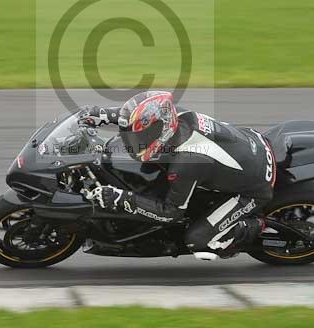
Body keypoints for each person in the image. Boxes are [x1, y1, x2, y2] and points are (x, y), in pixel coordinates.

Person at [79, 90, 275, 260]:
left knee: (197, 240)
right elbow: (137, 119)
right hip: (252, 143)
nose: (133, 141)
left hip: (254, 189)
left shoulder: (186, 162)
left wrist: (122, 197)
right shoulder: (174, 114)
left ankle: (255, 227)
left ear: (161, 131)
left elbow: (170, 213)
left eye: (140, 137)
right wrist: (102, 115)